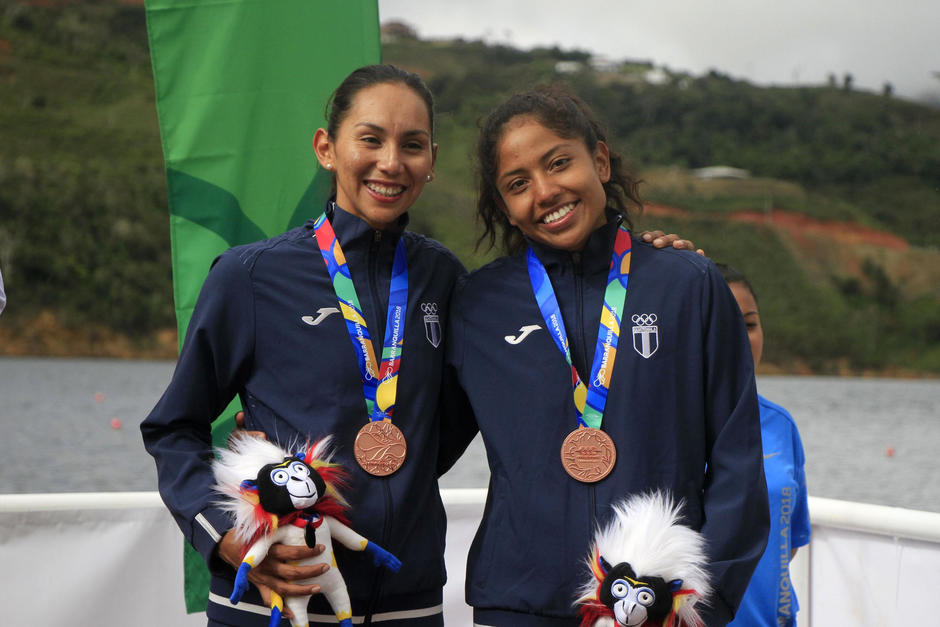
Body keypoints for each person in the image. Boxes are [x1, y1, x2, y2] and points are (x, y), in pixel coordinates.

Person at [142, 64, 693, 627]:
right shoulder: (251, 276)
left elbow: (453, 426)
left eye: (412, 145)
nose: (390, 162)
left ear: (430, 162)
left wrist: (644, 261)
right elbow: (172, 427)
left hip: (411, 600)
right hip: (280, 596)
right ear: (327, 149)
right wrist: (227, 535)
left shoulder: (445, 280)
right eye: (370, 139)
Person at [440, 86, 769, 626]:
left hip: (656, 605)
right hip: (519, 603)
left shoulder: (688, 285)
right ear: (505, 207)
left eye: (559, 163)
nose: (544, 192)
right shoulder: (477, 305)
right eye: (517, 185)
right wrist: (257, 450)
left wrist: (700, 604)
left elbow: (737, 462)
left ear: (599, 159)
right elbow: (418, 440)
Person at [719, 263, 811, 627]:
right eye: (725, 324)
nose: (742, 337)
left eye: (750, 324)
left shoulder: (781, 425)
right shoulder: (664, 425)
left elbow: (790, 539)